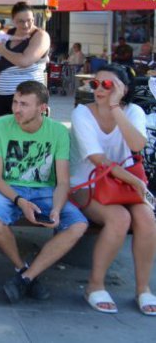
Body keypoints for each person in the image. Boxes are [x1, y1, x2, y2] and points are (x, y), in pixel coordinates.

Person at [0, 80, 88, 303]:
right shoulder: (1, 125)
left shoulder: (58, 131)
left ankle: (27, 278)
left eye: (24, 104)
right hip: (7, 189)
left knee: (78, 225)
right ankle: (23, 270)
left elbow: (62, 181)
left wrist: (57, 210)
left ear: (41, 108)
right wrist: (20, 201)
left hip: (44, 191)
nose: (17, 109)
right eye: (15, 102)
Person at [69, 64, 156, 315]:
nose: (99, 89)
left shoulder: (134, 111)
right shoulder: (82, 113)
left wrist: (116, 108)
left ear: (123, 89)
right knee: (120, 218)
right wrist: (135, 182)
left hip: (123, 186)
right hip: (87, 183)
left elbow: (137, 144)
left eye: (107, 85)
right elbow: (98, 160)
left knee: (147, 218)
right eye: (95, 84)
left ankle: (143, 288)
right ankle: (94, 285)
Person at [0, 2, 50, 121]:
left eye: (30, 20)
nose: (26, 25)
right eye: (21, 21)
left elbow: (24, 61)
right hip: (0, 95)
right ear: (13, 20)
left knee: (24, 136)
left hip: (27, 97)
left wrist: (1, 49)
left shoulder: (41, 35)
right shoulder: (8, 33)